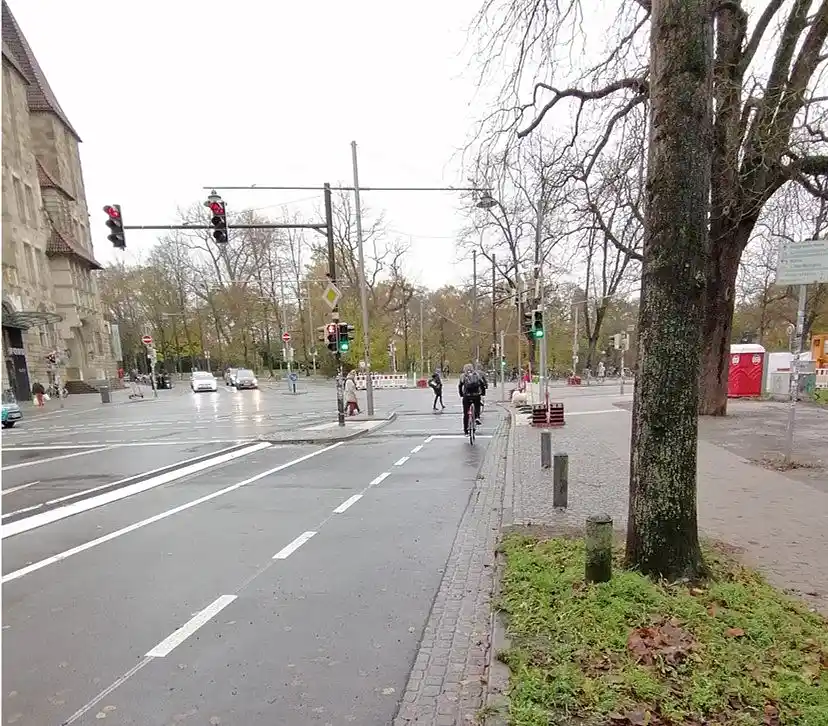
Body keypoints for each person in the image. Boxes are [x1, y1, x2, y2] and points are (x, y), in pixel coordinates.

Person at [458, 363, 483, 434]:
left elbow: (460, 386)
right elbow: (482, 383)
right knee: (477, 405)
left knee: (466, 413)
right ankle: (477, 417)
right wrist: (482, 393)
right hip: (476, 395)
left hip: (467, 396)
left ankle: (466, 430)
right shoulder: (476, 374)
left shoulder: (463, 376)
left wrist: (461, 394)